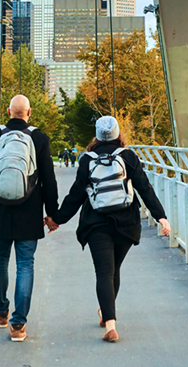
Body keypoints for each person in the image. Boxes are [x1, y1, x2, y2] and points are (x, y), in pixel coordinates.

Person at [45, 116, 170, 343]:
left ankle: (110, 324)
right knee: (115, 269)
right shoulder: (129, 157)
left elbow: (76, 196)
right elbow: (145, 188)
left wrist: (57, 219)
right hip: (126, 224)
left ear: (96, 135)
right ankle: (107, 312)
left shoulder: (87, 160)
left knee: (104, 271)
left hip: (96, 223)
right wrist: (161, 217)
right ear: (117, 133)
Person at [0, 95, 59, 342]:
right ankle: (18, 326)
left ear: (8, 111)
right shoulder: (39, 138)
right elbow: (49, 179)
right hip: (29, 213)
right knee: (25, 264)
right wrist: (52, 214)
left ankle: (2, 310)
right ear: (30, 112)